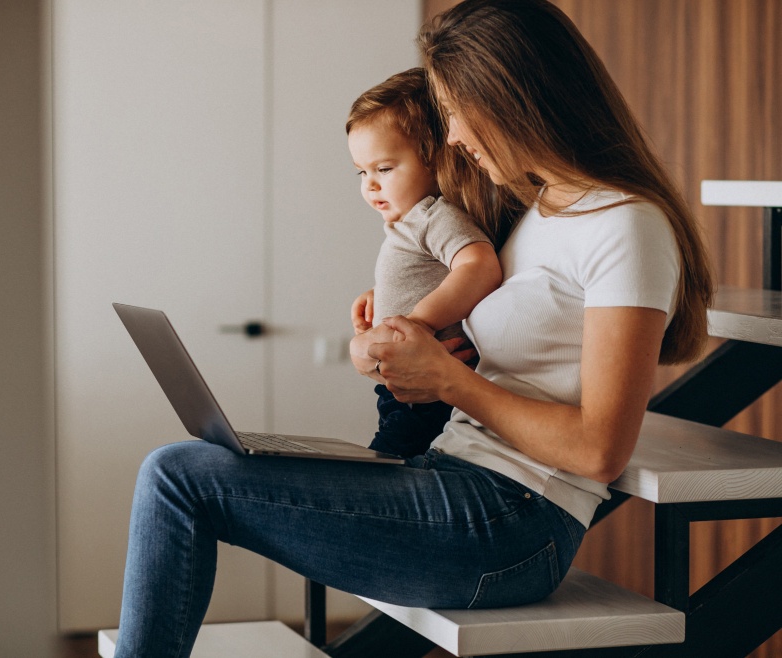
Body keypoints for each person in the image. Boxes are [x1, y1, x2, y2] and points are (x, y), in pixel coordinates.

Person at [112, 1, 714, 655]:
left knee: (178, 475)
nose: (452, 137)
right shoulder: (540, 208)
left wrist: (450, 381)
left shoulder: (627, 226)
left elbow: (602, 451)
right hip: (452, 474)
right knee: (195, 465)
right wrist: (401, 325)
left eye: (456, 112)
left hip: (510, 523)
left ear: (511, 98)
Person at [346, 68, 501, 458]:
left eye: (384, 169)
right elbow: (438, 273)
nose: (370, 185)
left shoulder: (435, 215)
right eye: (362, 172)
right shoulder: (412, 222)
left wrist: (419, 321)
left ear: (435, 159)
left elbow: (479, 266)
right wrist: (381, 296)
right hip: (406, 393)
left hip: (427, 396)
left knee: (380, 479)